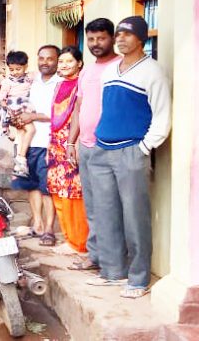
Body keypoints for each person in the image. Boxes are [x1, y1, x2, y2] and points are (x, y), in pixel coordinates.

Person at [89, 17, 170, 298]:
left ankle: (138, 279)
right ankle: (112, 272)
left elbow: (162, 116)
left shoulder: (152, 72)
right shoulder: (111, 70)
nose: (120, 39)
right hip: (102, 149)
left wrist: (144, 147)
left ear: (141, 39)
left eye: (127, 34)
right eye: (119, 34)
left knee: (135, 216)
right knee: (106, 213)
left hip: (131, 151)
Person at [67, 18, 118, 272]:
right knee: (93, 204)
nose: (96, 44)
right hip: (85, 147)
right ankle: (95, 256)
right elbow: (79, 106)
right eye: (91, 39)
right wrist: (71, 141)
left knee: (110, 205)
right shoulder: (86, 70)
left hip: (110, 146)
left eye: (101, 38)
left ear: (113, 38)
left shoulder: (121, 66)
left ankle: (113, 260)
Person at [11, 45, 62, 247]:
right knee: (31, 185)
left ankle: (49, 229)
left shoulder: (62, 83)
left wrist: (32, 116)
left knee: (47, 188)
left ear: (57, 60)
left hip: (50, 142)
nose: (45, 62)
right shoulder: (32, 82)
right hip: (29, 141)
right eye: (41, 58)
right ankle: (38, 224)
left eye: (50, 59)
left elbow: (61, 114)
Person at [47, 47, 88, 255]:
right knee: (57, 189)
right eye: (61, 61)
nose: (63, 65)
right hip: (56, 144)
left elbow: (83, 116)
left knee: (74, 192)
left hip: (73, 143)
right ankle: (68, 238)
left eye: (69, 61)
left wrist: (76, 143)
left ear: (79, 63)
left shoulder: (83, 84)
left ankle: (79, 242)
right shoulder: (59, 85)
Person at [0, 50, 35, 176]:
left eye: (18, 69)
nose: (15, 72)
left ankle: (19, 166)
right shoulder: (7, 82)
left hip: (27, 107)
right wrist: (10, 110)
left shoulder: (30, 77)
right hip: (15, 108)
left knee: (21, 134)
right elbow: (2, 99)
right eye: (12, 69)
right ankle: (21, 159)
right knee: (30, 130)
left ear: (26, 66)